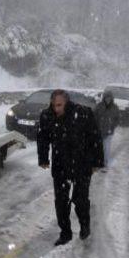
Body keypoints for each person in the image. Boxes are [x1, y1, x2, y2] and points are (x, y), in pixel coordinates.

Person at [37, 89, 105, 246]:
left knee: (80, 200)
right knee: (61, 202)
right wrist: (43, 158)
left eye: (60, 105)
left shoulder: (83, 113)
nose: (57, 109)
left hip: (82, 164)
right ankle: (65, 233)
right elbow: (43, 138)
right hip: (60, 165)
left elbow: (95, 137)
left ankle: (84, 225)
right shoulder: (47, 115)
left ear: (66, 102)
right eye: (54, 105)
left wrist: (97, 162)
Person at [94, 90, 120, 169]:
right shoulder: (99, 106)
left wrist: (112, 127)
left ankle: (105, 163)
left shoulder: (115, 107)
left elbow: (117, 119)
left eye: (109, 98)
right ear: (104, 98)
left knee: (107, 148)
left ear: (111, 98)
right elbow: (94, 117)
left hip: (109, 132)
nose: (108, 99)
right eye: (106, 97)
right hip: (99, 131)